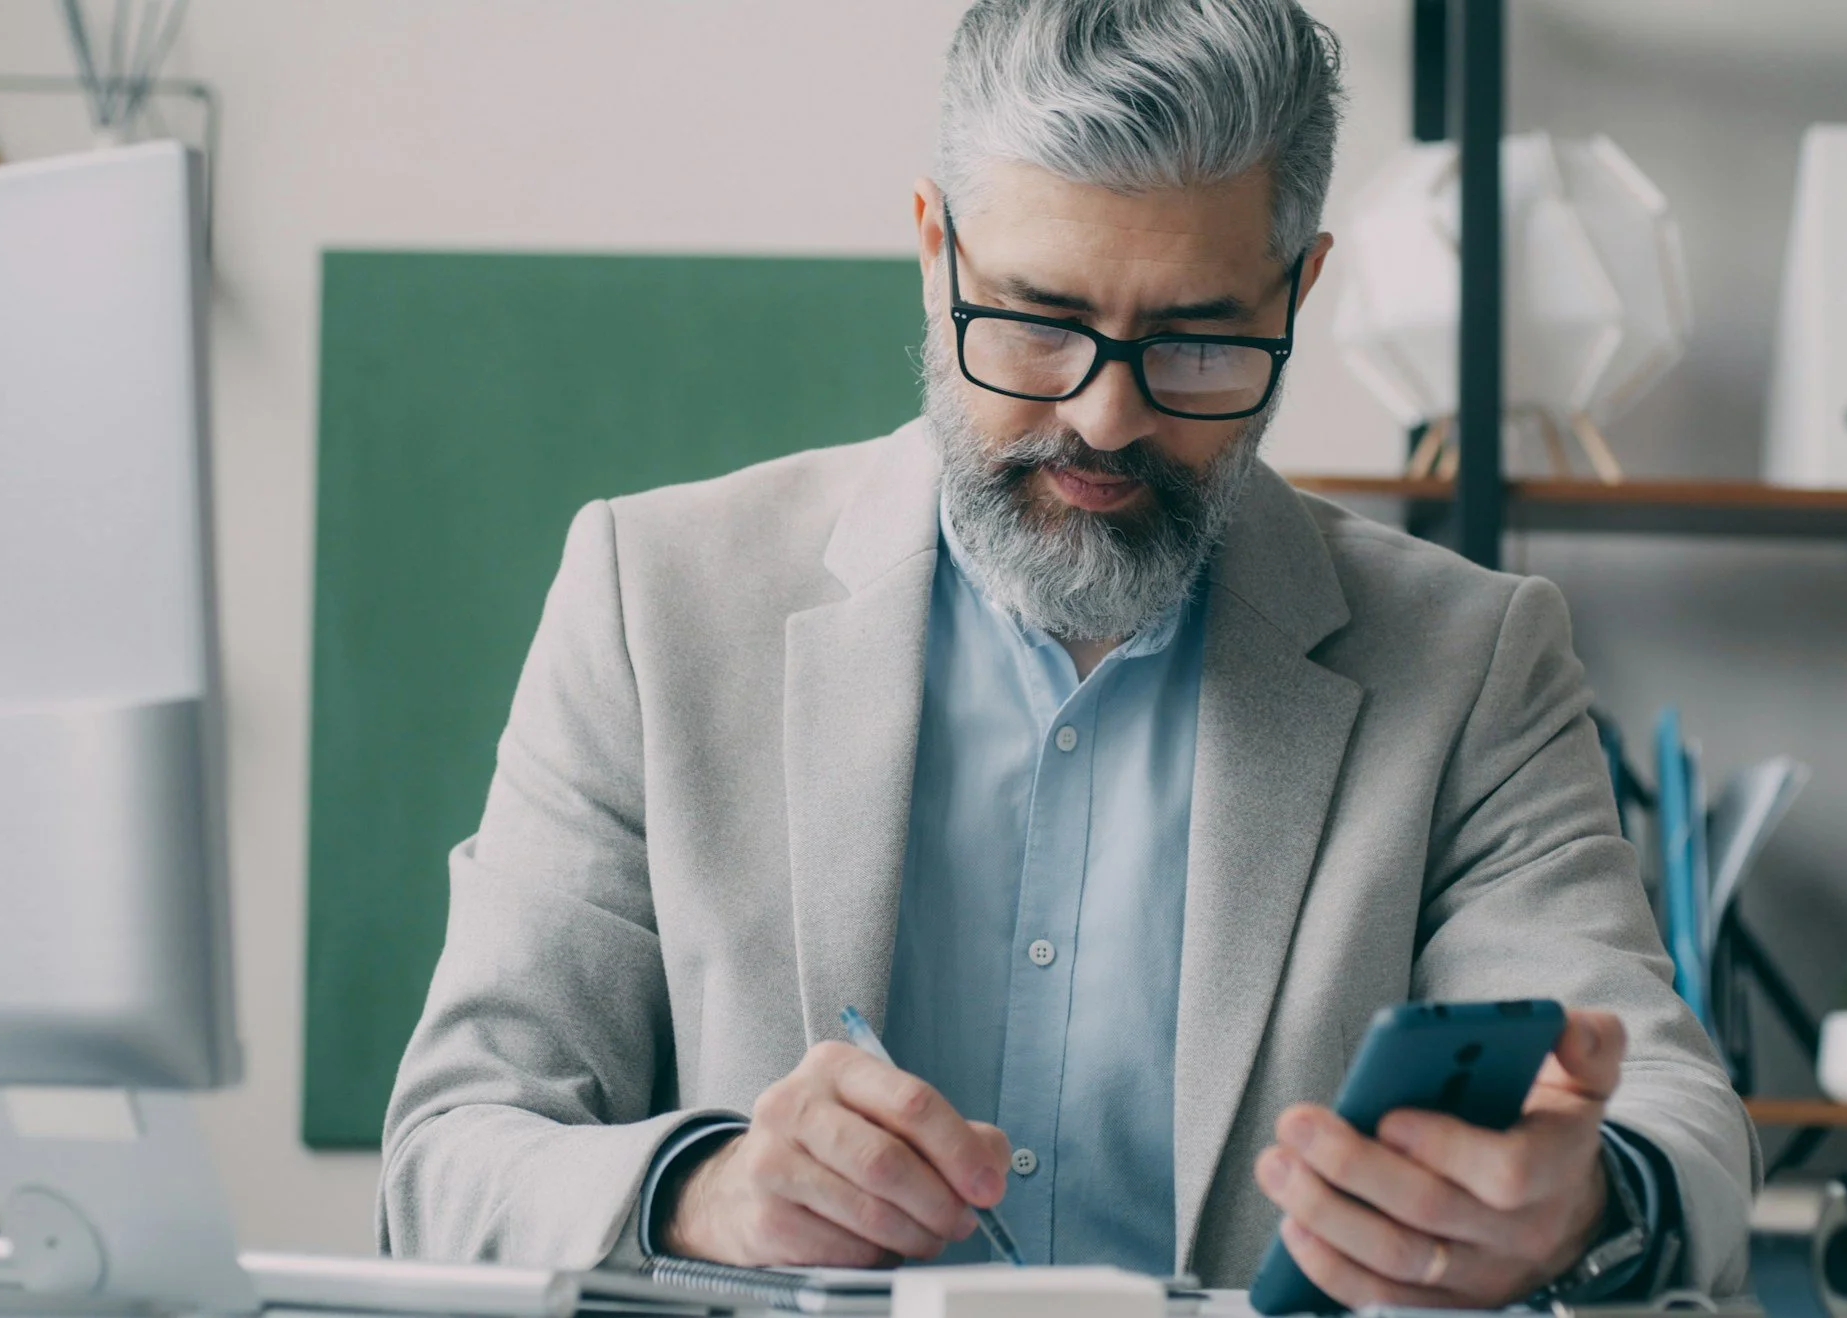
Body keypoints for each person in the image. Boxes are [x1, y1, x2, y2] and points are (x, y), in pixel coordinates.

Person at [379, 0, 1756, 1306]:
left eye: (1200, 342)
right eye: (1037, 325)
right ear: (934, 251)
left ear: (1301, 288)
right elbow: (449, 1156)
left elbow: (1670, 1109)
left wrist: (1589, 1202)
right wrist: (709, 1193)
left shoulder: (1469, 661)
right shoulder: (656, 599)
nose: (1102, 419)